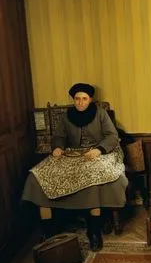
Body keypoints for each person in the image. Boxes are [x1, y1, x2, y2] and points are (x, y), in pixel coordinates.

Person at [22, 83, 128, 251]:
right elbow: (59, 136)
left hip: (100, 151)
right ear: (73, 100)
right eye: (77, 99)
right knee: (40, 173)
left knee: (93, 175)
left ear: (90, 99)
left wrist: (99, 150)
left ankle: (93, 232)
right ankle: (49, 235)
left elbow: (112, 136)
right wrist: (58, 147)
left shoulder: (100, 113)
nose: (80, 102)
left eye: (84, 99)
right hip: (72, 153)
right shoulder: (67, 116)